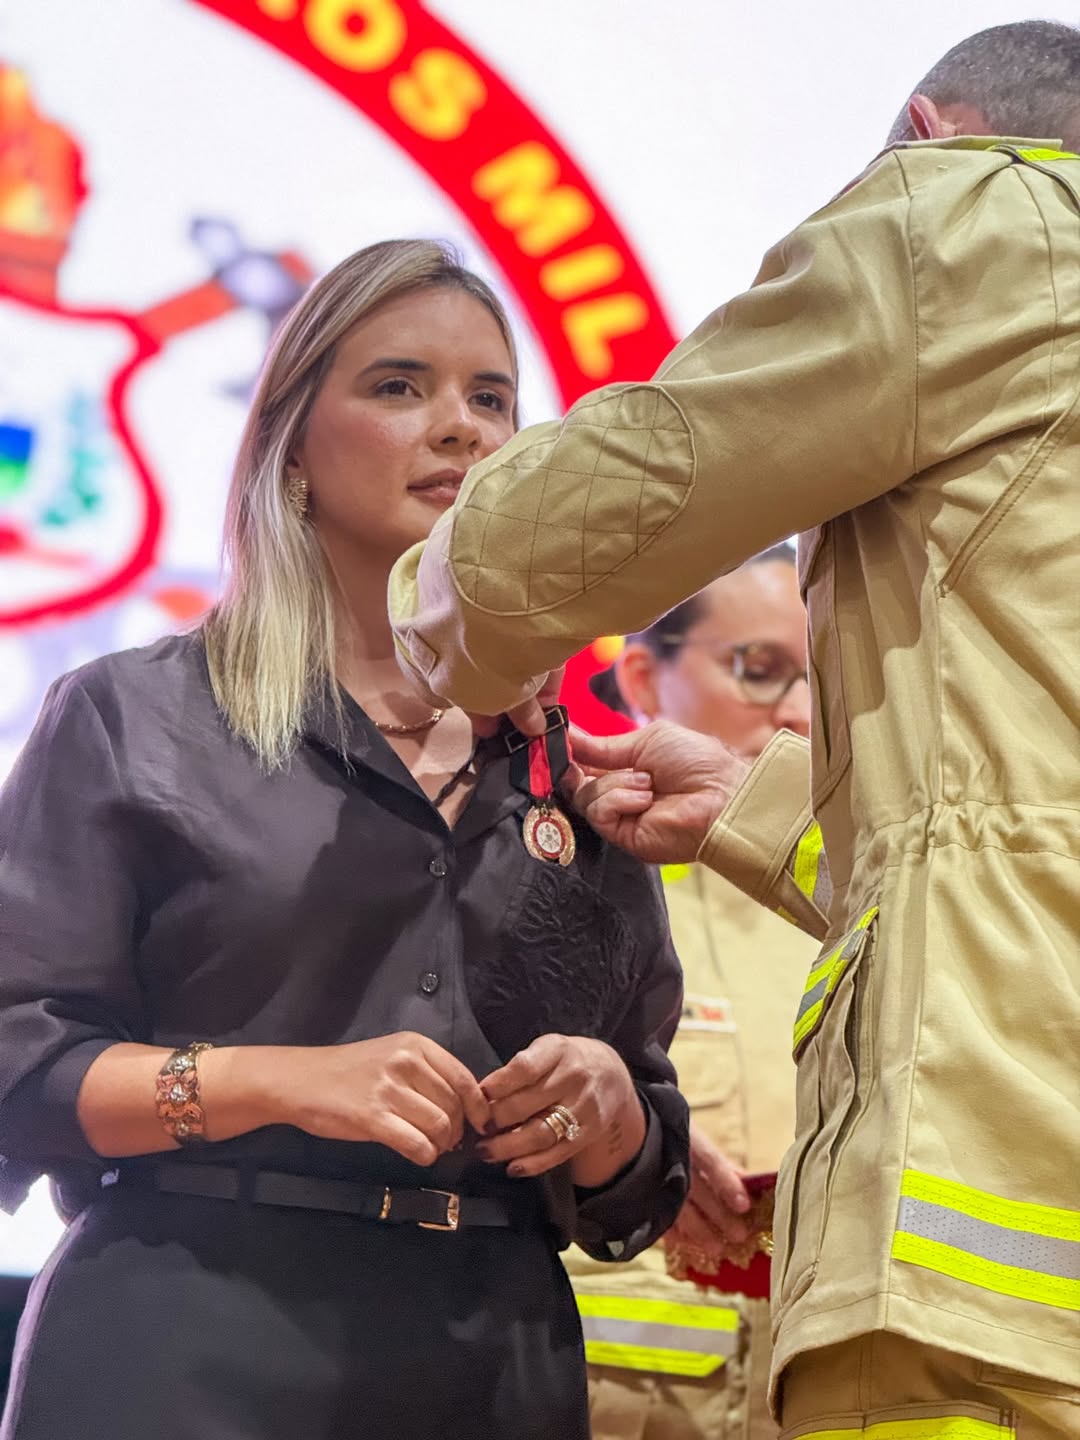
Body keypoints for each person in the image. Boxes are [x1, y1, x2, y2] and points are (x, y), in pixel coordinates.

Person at [388, 20, 1080, 1437]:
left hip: (1003, 1278)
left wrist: (429, 617)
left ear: (925, 136)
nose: (451, 435)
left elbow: (626, 489)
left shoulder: (979, 219)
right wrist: (763, 808)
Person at [0, 239, 689, 1440]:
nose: (460, 429)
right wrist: (280, 1083)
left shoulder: (577, 770)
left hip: (497, 1367)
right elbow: (17, 1070)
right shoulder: (133, 715)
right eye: (398, 386)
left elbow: (643, 1165)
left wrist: (614, 1110)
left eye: (492, 400)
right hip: (182, 1354)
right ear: (292, 451)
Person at [564, 548, 818, 1440]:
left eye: (824, 675)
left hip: (825, 1398)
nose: (798, 710)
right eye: (757, 669)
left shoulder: (865, 895)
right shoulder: (562, 875)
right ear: (642, 675)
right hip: (610, 1401)